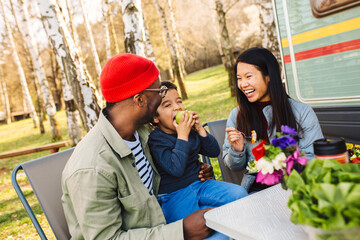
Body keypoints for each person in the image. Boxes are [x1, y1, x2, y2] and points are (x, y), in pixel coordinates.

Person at [62, 53, 215, 240]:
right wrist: (181, 231)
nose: (161, 98)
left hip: (165, 219)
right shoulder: (92, 168)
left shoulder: (143, 132)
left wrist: (193, 171)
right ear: (140, 100)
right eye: (159, 92)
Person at [148, 81, 248, 239]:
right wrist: (182, 135)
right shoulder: (156, 140)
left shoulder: (190, 131)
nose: (177, 107)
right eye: (167, 105)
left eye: (179, 101)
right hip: (174, 196)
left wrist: (200, 129)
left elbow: (214, 151)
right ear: (155, 117)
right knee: (216, 235)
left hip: (202, 185)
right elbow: (176, 168)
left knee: (240, 193)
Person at [223, 47, 323, 192]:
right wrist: (236, 150)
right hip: (255, 192)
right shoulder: (237, 115)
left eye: (249, 76)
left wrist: (282, 166)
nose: (243, 84)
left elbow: (313, 156)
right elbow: (233, 166)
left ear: (269, 75)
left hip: (296, 188)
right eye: (239, 78)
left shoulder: (302, 112)